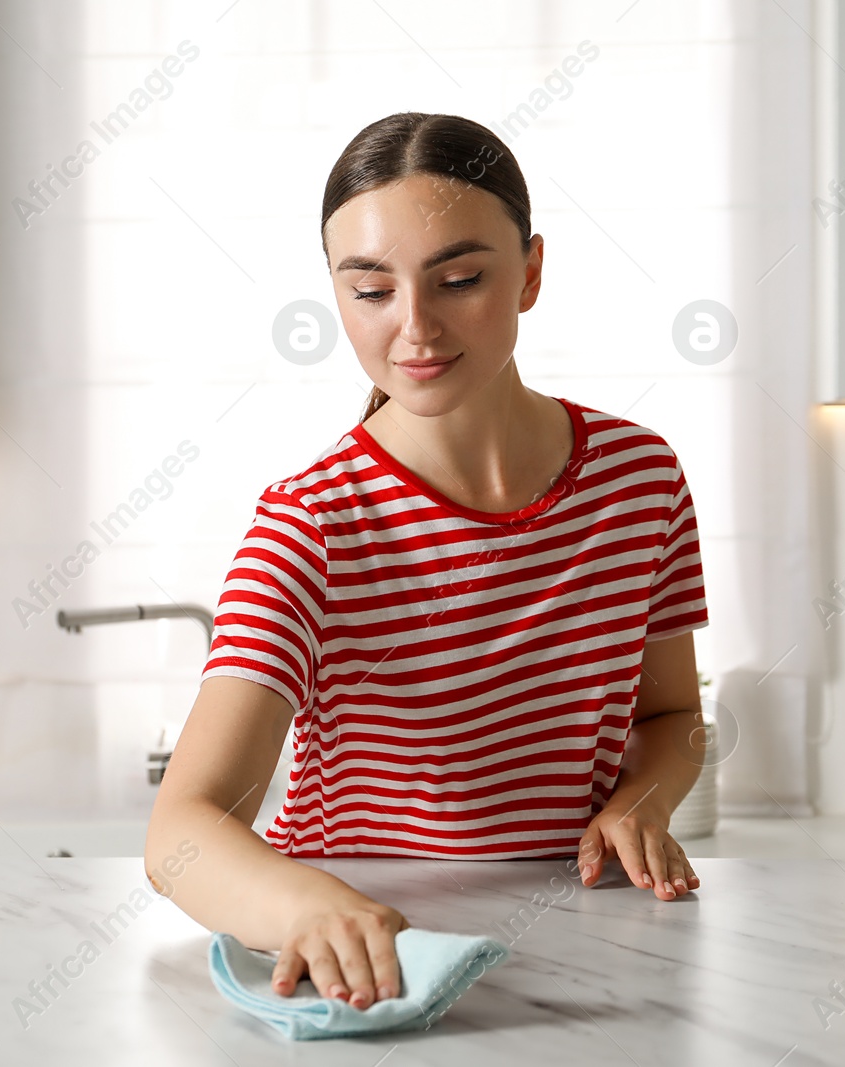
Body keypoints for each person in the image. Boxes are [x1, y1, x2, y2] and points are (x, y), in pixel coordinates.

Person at [145, 112, 710, 1016]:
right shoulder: (312, 523)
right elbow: (180, 830)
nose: (415, 328)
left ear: (530, 272)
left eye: (459, 279)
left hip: (588, 935)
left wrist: (642, 800)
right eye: (371, 292)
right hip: (377, 953)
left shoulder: (641, 479)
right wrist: (307, 902)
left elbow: (675, 716)